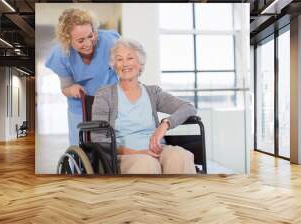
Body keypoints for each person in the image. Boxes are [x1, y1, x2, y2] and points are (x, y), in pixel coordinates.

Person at [92, 39, 197, 174]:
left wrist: (164, 125)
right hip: (124, 156)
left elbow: (189, 108)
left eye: (130, 58)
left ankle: (181, 195)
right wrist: (139, 152)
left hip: (156, 149)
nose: (125, 64)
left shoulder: (153, 93)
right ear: (114, 66)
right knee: (147, 163)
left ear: (140, 64)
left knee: (181, 156)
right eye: (119, 59)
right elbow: (99, 139)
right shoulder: (105, 95)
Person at [45, 8, 119, 145]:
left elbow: (124, 69)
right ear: (68, 40)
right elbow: (65, 88)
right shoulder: (61, 55)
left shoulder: (108, 42)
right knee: (82, 146)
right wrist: (72, 89)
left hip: (109, 99)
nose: (88, 43)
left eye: (90, 36)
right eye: (80, 40)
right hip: (81, 105)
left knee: (113, 143)